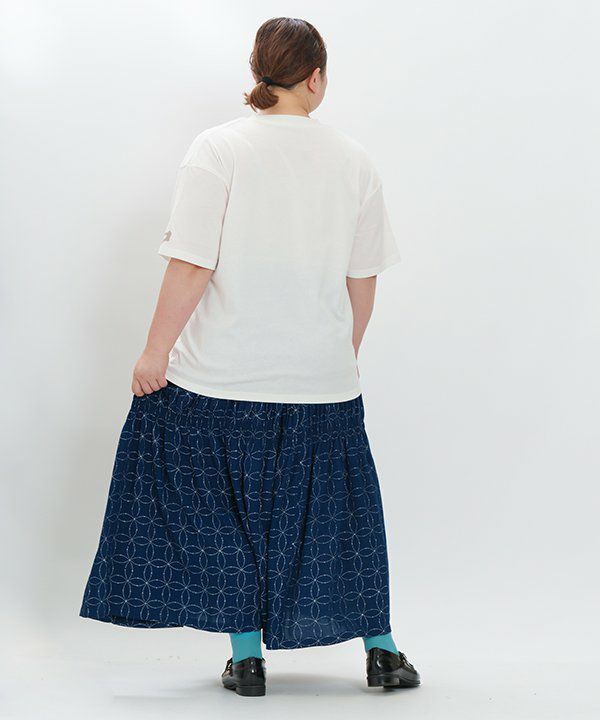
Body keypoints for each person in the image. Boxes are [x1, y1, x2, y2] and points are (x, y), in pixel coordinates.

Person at [79, 16, 420, 697]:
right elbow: (363, 279)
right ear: (316, 78)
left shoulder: (219, 149)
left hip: (220, 381)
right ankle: (382, 652)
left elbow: (191, 263)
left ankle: (248, 658)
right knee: (341, 519)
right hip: (322, 384)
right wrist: (342, 353)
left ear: (257, 71)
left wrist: (154, 353)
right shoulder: (354, 160)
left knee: (217, 512)